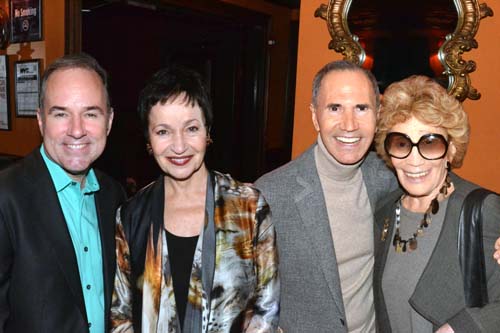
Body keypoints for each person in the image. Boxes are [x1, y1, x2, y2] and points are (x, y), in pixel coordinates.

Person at [109, 65, 279, 332]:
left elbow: (266, 312)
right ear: (148, 140)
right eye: (163, 131)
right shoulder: (131, 216)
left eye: (191, 128)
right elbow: (120, 316)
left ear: (207, 132)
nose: (179, 146)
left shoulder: (249, 207)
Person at [255, 60, 398, 332]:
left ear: (378, 114)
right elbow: (243, 292)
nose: (349, 124)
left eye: (361, 108)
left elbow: (444, 196)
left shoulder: (390, 177)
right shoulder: (272, 193)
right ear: (314, 116)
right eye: (335, 108)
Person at [0, 53, 125, 332]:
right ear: (41, 121)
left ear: (109, 121)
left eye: (91, 113)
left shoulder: (112, 194)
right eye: (61, 114)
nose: (77, 130)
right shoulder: (5, 197)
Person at [373, 75, 500, 332]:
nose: (414, 160)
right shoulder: (384, 211)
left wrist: (461, 327)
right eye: (401, 143)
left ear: (451, 150)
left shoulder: (480, 210)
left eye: (430, 144)